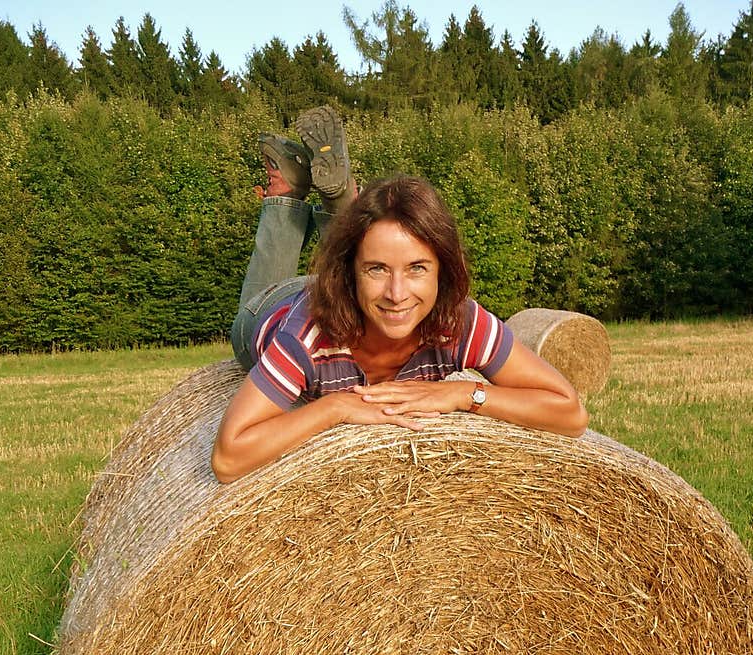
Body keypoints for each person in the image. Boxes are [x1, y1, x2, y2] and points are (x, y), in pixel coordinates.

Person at [212, 106, 588, 484]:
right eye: (377, 269)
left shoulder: (459, 321)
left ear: (443, 270)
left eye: (417, 268)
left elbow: (569, 414)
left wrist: (463, 395)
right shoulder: (306, 337)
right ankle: (288, 193)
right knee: (256, 300)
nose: (397, 294)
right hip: (272, 310)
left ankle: (337, 201)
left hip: (348, 295)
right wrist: (335, 407)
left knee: (363, 252)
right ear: (350, 272)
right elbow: (228, 459)